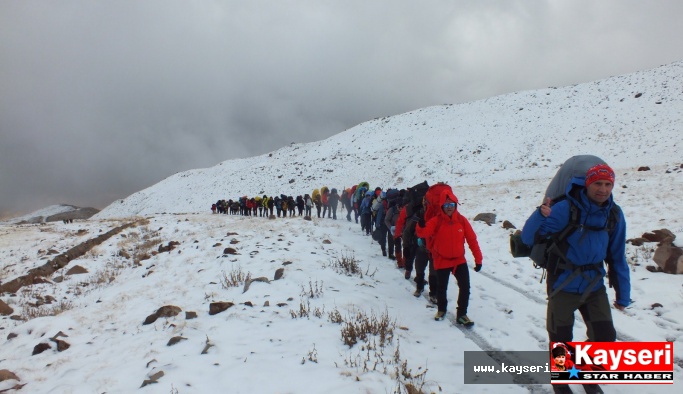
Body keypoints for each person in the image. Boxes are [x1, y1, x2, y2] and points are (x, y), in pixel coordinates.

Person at [523, 163, 630, 343]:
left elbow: (617, 255)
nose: (603, 189)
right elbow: (528, 238)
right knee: (561, 346)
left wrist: (623, 294)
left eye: (607, 184)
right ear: (587, 184)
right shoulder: (565, 208)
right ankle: (566, 371)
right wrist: (540, 215)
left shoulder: (613, 214)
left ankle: (583, 368)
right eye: (597, 183)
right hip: (563, 286)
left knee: (605, 339)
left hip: (594, 287)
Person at [416, 190, 482, 323]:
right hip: (442, 260)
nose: (449, 207)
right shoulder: (436, 221)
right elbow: (424, 233)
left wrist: (478, 259)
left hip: (459, 260)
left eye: (451, 204)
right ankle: (441, 310)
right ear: (441, 207)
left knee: (465, 287)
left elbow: (472, 240)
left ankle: (462, 314)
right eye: (446, 205)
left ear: (456, 205)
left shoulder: (461, 221)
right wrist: (420, 225)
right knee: (442, 288)